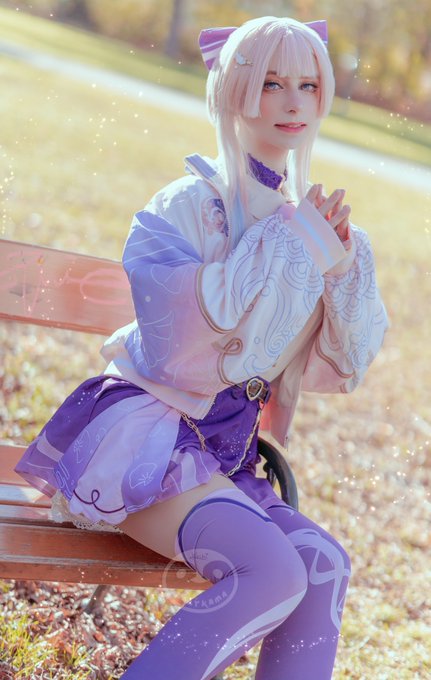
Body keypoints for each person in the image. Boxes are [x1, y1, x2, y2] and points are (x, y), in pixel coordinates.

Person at [15, 15, 388, 680]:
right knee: (272, 573)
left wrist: (335, 271)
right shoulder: (186, 205)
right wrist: (294, 247)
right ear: (233, 89)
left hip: (225, 455)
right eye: (271, 82)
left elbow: (334, 366)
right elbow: (180, 350)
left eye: (308, 84)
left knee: (323, 568)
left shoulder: (300, 217)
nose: (294, 101)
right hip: (149, 439)